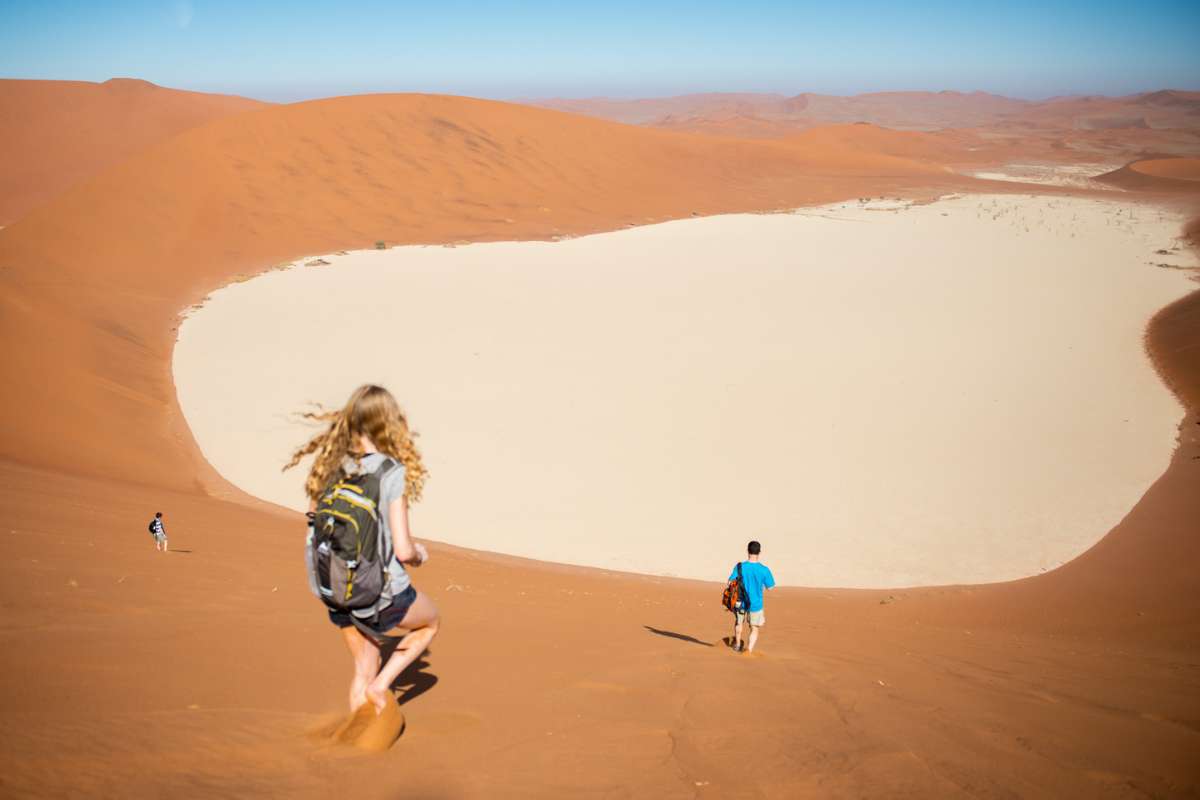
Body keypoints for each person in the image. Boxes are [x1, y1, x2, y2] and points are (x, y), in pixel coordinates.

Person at [285, 384, 439, 714]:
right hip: (377, 591)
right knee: (429, 624)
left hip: (332, 587)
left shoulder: (331, 464)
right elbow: (402, 550)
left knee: (362, 667)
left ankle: (355, 738)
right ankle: (381, 687)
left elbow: (312, 518)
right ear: (387, 422)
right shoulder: (389, 472)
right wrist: (419, 554)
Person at [730, 540, 774, 654]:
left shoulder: (740, 567)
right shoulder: (764, 569)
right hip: (756, 603)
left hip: (740, 602)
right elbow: (770, 587)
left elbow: (730, 582)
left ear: (747, 551)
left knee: (739, 623)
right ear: (759, 552)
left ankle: (738, 644)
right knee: (754, 627)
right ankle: (748, 650)